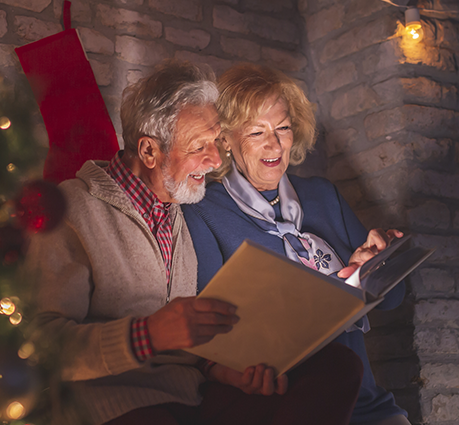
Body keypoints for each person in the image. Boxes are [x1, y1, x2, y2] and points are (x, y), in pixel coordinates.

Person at [24, 60, 364, 425]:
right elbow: (40, 346)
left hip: (192, 394)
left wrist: (222, 368)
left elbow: (189, 341)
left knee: (336, 365)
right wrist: (147, 335)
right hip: (113, 402)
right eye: (199, 146)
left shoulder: (180, 209)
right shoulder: (72, 210)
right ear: (149, 151)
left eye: (216, 142)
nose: (216, 159)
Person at [181, 63, 411, 425]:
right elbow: (208, 340)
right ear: (225, 140)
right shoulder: (202, 212)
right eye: (257, 132)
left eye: (283, 128)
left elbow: (393, 300)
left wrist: (381, 262)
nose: (274, 144)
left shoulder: (323, 196)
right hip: (284, 408)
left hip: (366, 404)